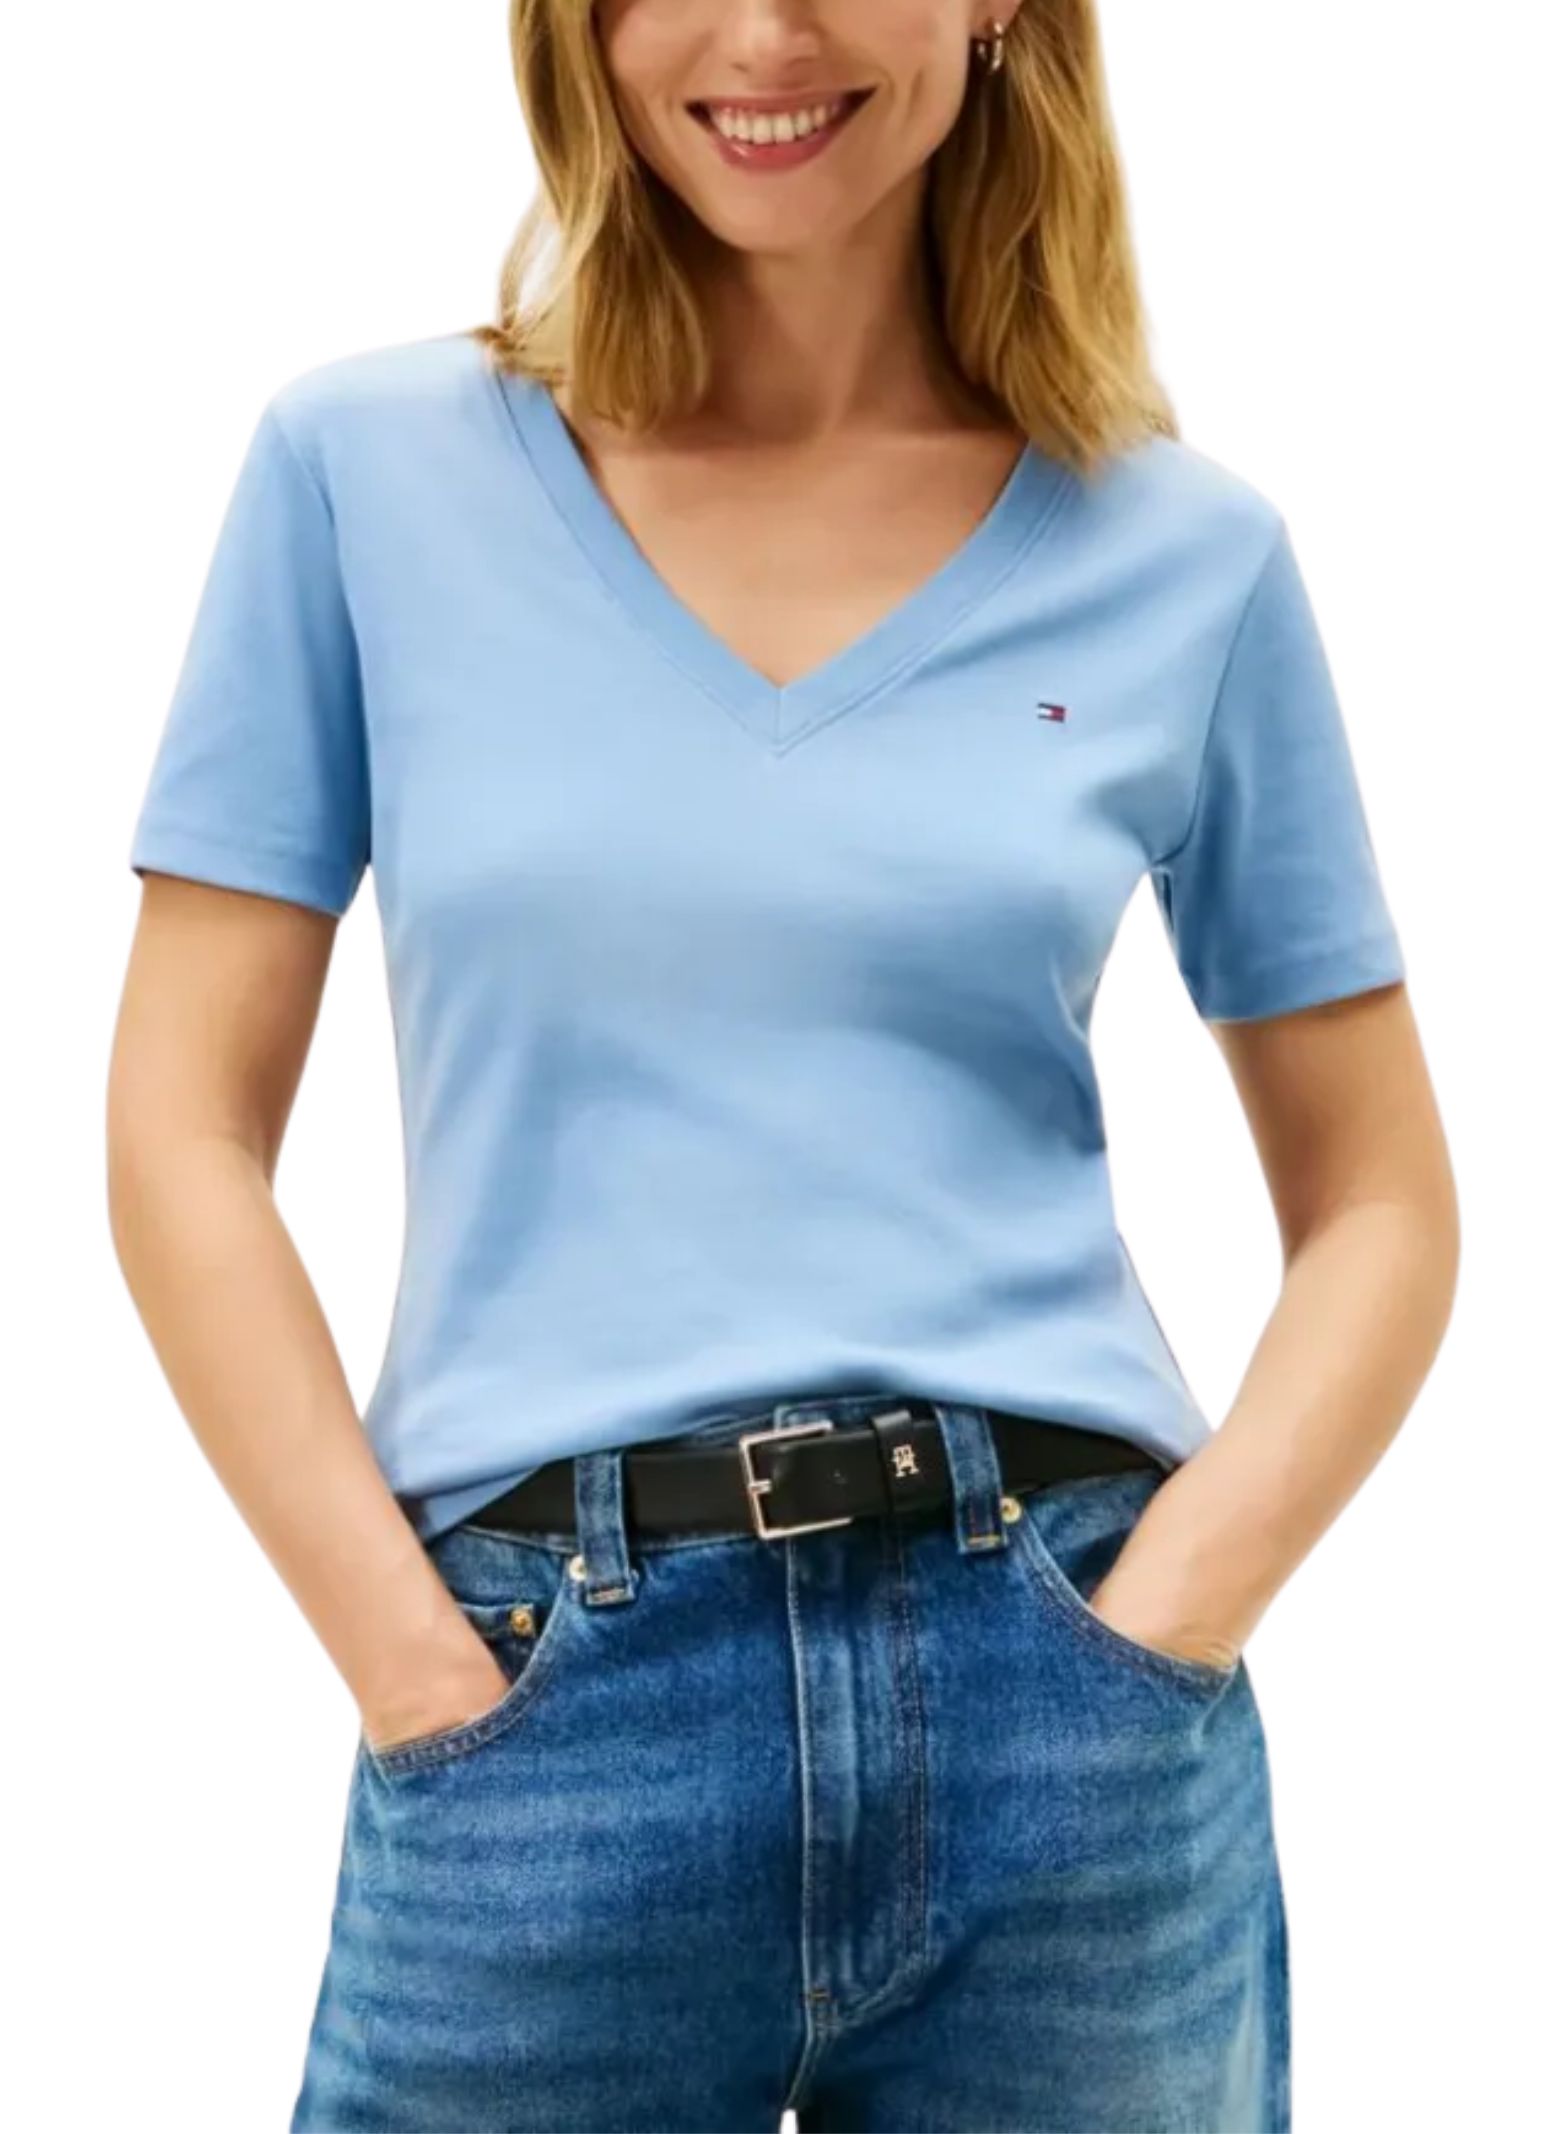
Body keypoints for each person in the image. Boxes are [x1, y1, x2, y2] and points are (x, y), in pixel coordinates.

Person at [107, 3, 1459, 2128]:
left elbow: (1378, 1195)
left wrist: (1170, 1618)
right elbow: (181, 1124)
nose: (760, 34)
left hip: (1068, 1704)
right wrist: (403, 1652)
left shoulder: (1184, 552)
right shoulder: (360, 478)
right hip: (541, 1696)